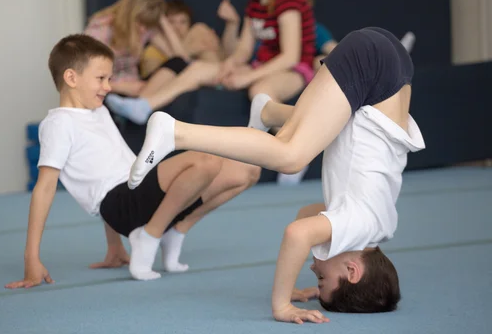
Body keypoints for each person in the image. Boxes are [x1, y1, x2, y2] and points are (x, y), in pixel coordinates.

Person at [127, 26, 426, 323]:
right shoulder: (358, 225)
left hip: (390, 70)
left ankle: (268, 113)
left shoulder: (380, 227)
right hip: (373, 65)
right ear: (352, 271)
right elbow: (297, 234)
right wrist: (281, 302)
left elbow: (307, 215)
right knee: (291, 156)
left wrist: (297, 279)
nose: (313, 271)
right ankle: (176, 133)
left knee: (319, 135)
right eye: (323, 281)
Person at [4, 34, 259, 287]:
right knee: (206, 160)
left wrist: (114, 247)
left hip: (135, 189)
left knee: (246, 172)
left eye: (109, 79)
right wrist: (31, 257)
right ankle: (149, 236)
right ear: (71, 78)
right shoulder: (59, 124)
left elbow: (110, 167)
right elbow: (46, 188)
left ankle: (174, 230)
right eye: (101, 79)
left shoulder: (99, 111)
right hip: (121, 203)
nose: (108, 87)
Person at [103, 0, 316, 125]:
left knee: (260, 91)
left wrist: (249, 76)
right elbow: (244, 49)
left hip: (296, 70)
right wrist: (229, 65)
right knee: (198, 69)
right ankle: (145, 106)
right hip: (264, 66)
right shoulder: (254, 4)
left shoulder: (289, 0)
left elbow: (291, 57)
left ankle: (295, 144)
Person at [83, 0, 189, 98]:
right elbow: (85, 75)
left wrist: (162, 20)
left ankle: (139, 106)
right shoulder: (102, 28)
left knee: (177, 64)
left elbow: (181, 59)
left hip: (137, 89)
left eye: (148, 25)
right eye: (140, 22)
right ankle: (138, 107)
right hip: (110, 89)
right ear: (128, 15)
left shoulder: (147, 29)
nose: (143, 30)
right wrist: (121, 87)